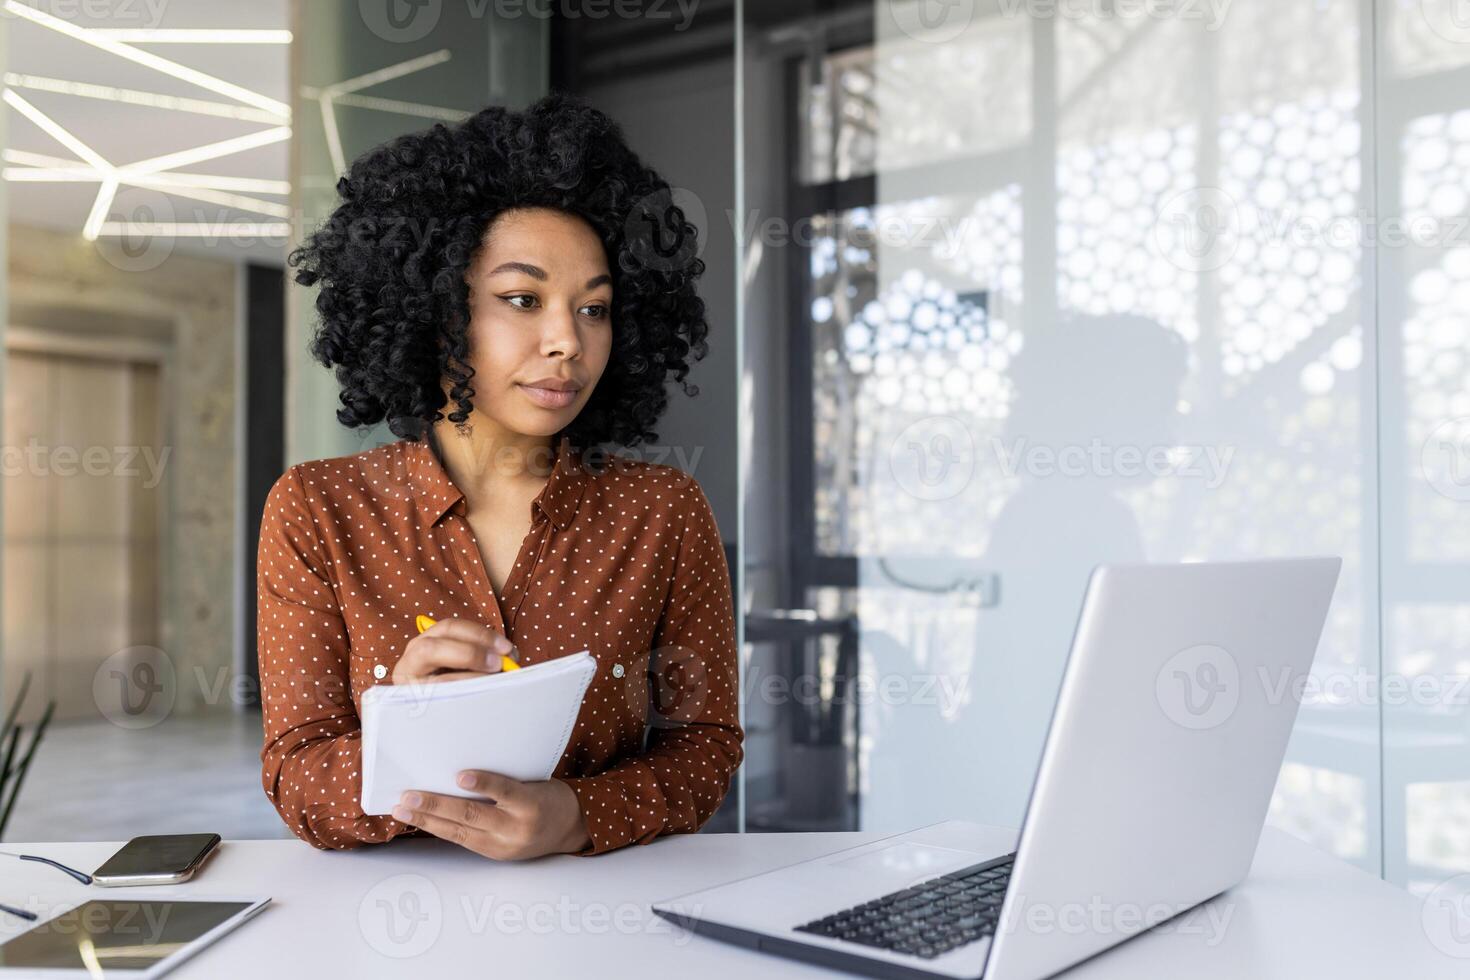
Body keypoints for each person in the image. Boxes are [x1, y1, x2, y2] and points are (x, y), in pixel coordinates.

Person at [257, 93, 742, 859]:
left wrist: (578, 814)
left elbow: (706, 748)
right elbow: (295, 773)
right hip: (388, 927)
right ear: (439, 309)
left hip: (607, 921)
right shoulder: (320, 509)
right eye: (523, 299)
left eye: (595, 310)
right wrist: (403, 737)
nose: (566, 342)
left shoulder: (664, 512)